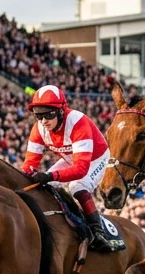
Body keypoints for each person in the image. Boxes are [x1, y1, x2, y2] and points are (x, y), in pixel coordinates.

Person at [21, 85, 113, 251]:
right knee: (43, 186)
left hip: (96, 158)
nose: (44, 121)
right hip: (71, 159)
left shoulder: (78, 122)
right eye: (38, 115)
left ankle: (97, 231)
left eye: (49, 114)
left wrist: (50, 175)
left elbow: (81, 169)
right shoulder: (39, 129)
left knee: (77, 186)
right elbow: (29, 165)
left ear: (61, 110)